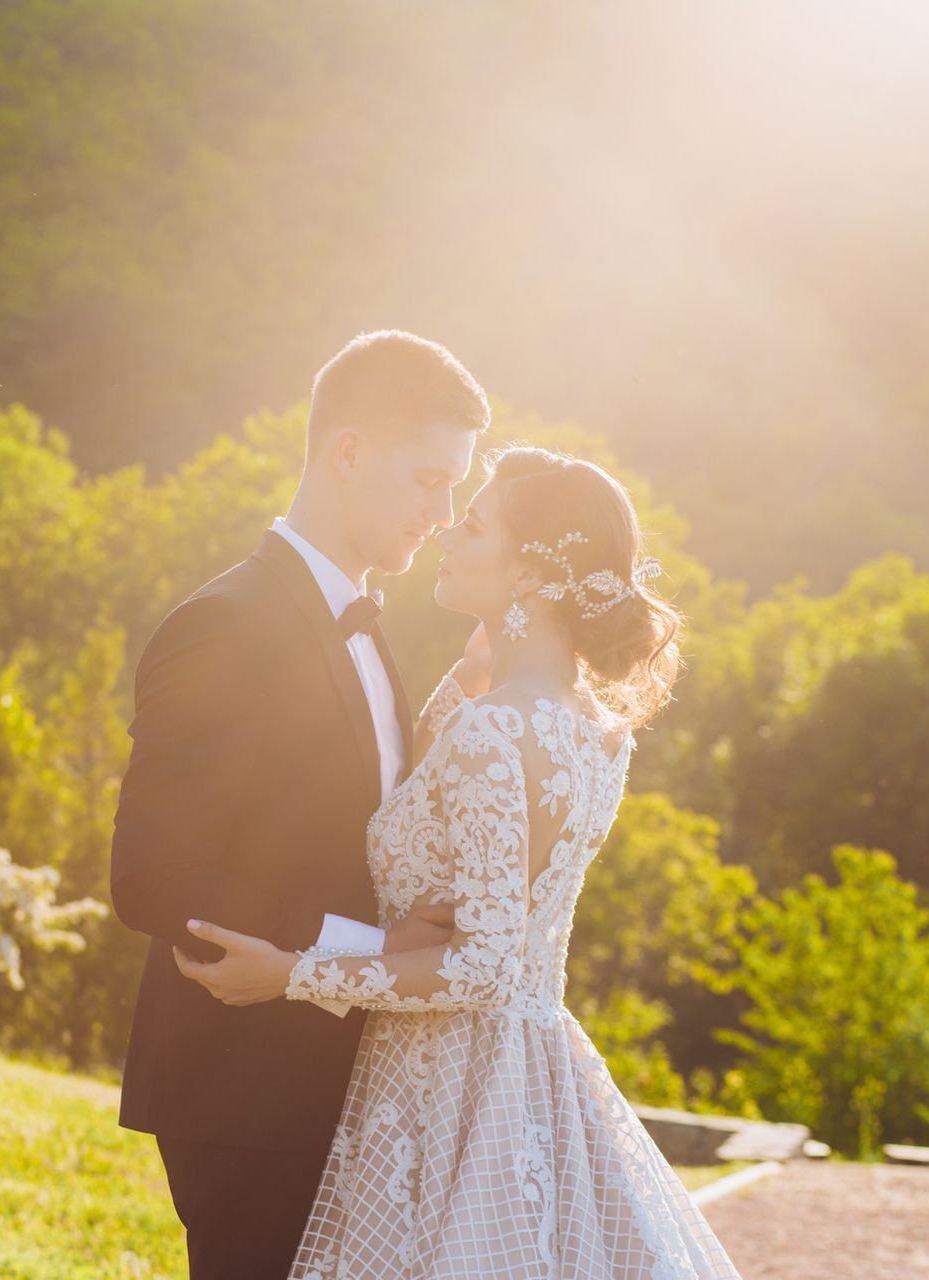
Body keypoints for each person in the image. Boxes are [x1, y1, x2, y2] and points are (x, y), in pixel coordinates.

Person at [177, 446, 743, 1278]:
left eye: (472, 524)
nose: (445, 532)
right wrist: (472, 673)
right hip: (533, 1069)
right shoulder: (597, 733)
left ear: (526, 574)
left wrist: (291, 973)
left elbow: (479, 965)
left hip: (447, 1087)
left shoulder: (493, 733)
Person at [110, 330, 492, 1279]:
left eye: (457, 491)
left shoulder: (370, 627)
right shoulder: (224, 626)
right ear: (349, 452)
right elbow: (153, 876)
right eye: (428, 480)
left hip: (344, 1077)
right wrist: (365, 951)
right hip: (246, 1088)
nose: (443, 515)